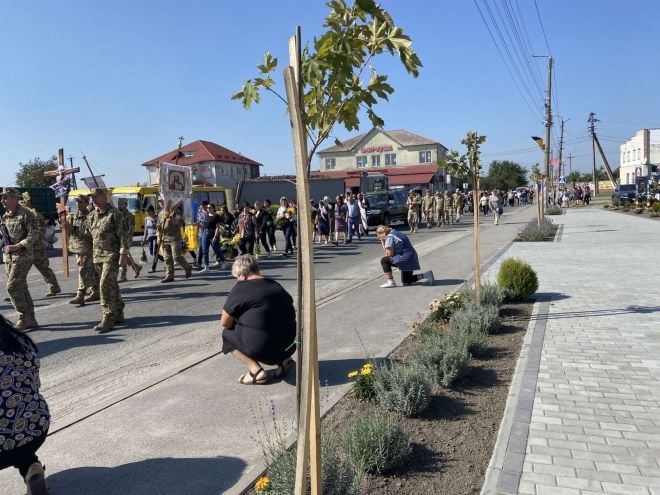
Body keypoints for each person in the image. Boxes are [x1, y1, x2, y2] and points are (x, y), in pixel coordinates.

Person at [220, 255, 296, 384]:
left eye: (237, 277)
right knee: (273, 321)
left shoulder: (241, 288)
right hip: (290, 345)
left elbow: (225, 322)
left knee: (227, 334)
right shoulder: (274, 284)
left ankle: (256, 372)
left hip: (264, 349)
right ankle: (284, 361)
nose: (237, 281)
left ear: (242, 275)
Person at [0, 315, 50, 494]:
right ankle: (30, 466)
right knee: (11, 416)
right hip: (35, 427)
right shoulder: (16, 338)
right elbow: (34, 385)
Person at [86, 188, 130, 332]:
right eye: (91, 197)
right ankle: (118, 312)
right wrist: (70, 228)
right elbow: (86, 234)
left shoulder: (114, 214)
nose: (93, 199)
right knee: (111, 285)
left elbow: (124, 235)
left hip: (112, 255)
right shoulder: (92, 215)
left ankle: (108, 317)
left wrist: (123, 254)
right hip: (97, 256)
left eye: (95, 197)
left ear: (104, 197)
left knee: (104, 285)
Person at [1, 188, 40, 330]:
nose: (2, 201)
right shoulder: (5, 216)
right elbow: (5, 235)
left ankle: (23, 317)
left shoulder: (26, 214)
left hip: (23, 255)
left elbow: (34, 233)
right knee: (22, 287)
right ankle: (31, 319)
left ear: (14, 198)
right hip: (9, 257)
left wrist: (18, 245)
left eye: (5, 198)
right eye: (2, 198)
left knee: (12, 287)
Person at [21, 193, 61, 297]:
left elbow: (42, 228)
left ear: (28, 202)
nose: (22, 203)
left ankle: (54, 287)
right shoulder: (20, 215)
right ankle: (16, 291)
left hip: (36, 247)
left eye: (24, 201)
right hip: (24, 248)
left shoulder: (35, 215)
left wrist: (35, 237)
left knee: (44, 268)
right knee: (18, 271)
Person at [63, 194, 100, 305]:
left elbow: (90, 233)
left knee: (83, 270)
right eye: (77, 202)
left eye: (80, 202)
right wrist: (68, 229)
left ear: (86, 203)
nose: (78, 204)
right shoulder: (74, 216)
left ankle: (80, 294)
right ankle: (96, 291)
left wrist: (73, 229)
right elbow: (73, 234)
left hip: (88, 247)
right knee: (91, 270)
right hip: (77, 248)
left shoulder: (91, 215)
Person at [157, 199, 192, 283]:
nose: (161, 203)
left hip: (175, 238)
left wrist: (171, 219)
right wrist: (158, 237)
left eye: (162, 202)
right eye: (160, 202)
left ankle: (187, 267)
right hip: (164, 238)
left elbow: (180, 222)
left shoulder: (175, 212)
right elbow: (158, 226)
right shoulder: (160, 214)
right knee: (167, 257)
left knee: (176, 256)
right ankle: (169, 275)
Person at [116, 199, 141, 282]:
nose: (120, 206)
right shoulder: (115, 214)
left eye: (122, 204)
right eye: (119, 204)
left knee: (122, 257)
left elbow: (131, 229)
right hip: (117, 239)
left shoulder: (130, 216)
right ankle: (136, 267)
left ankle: (123, 276)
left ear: (126, 205)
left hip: (126, 239)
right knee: (122, 256)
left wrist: (125, 235)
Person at [142, 205, 162, 273]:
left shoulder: (158, 217)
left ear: (151, 211)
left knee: (155, 252)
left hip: (157, 235)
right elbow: (146, 229)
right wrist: (144, 239)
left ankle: (153, 268)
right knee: (152, 252)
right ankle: (167, 261)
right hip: (150, 237)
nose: (147, 213)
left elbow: (160, 227)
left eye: (147, 212)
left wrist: (155, 222)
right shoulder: (146, 218)